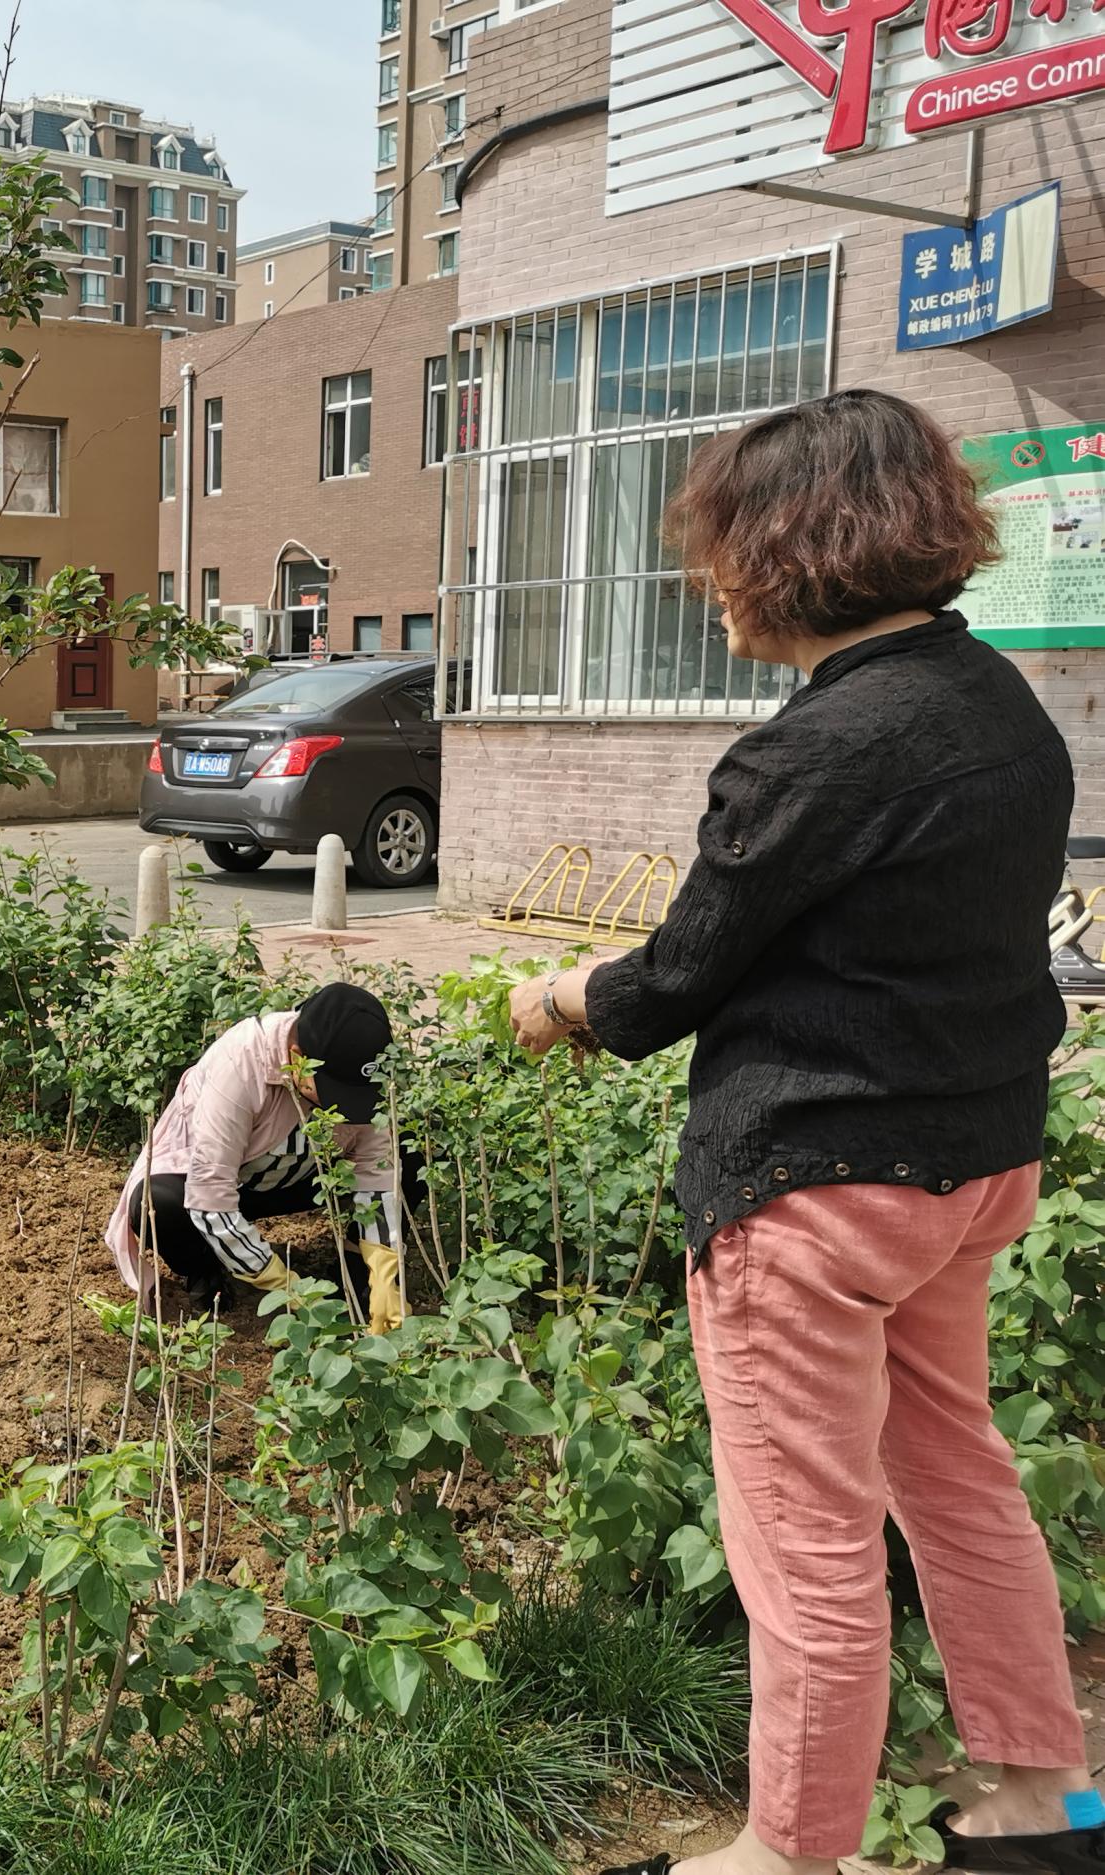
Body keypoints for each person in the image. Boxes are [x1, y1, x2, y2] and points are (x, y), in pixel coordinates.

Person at [507, 390, 1095, 1875]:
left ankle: (788, 1850)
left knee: (807, 1542)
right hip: (969, 1170)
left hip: (817, 1188)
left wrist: (564, 994)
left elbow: (678, 975)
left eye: (722, 547)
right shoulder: (1000, 709)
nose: (711, 580)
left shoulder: (815, 751)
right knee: (958, 1472)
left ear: (789, 549)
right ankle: (1037, 1801)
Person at [105, 983, 411, 1332]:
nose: (342, 1106)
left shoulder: (362, 1070)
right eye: (331, 1091)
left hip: (301, 1177)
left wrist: (385, 1273)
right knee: (155, 1202)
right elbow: (211, 1191)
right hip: (222, 1183)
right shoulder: (241, 1063)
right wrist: (280, 1282)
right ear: (296, 1056)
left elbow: (377, 1176)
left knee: (410, 1152)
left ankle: (358, 1278)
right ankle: (207, 1269)